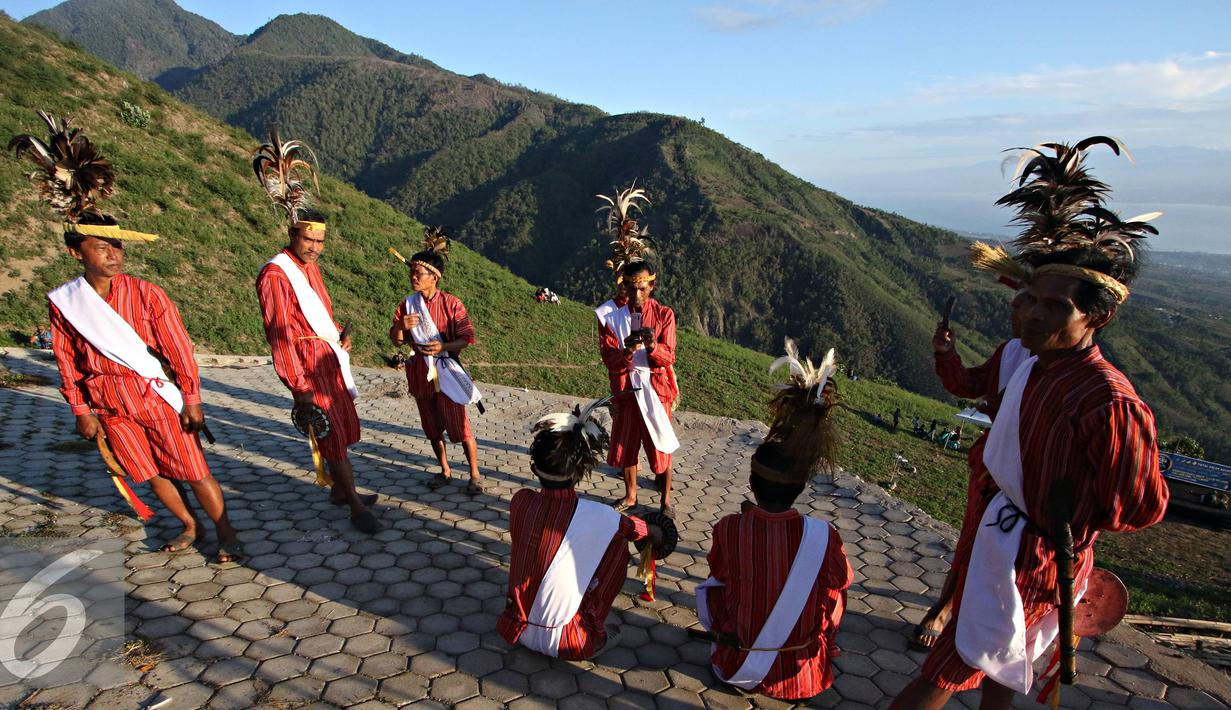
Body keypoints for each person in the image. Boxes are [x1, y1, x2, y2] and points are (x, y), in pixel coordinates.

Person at [891, 137, 1170, 710]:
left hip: (1035, 558)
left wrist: (1066, 508)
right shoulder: (1035, 364)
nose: (1034, 312)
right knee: (1001, 664)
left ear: (1100, 315)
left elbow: (1139, 505)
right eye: (1031, 298)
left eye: (1056, 306)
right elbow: (971, 386)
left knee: (945, 672)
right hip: (1006, 534)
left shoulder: (1108, 401)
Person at [11, 111, 241, 563]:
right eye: (102, 246)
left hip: (154, 396)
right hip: (109, 401)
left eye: (118, 246)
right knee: (148, 471)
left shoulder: (147, 294)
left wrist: (191, 398)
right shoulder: (66, 303)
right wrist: (81, 409)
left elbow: (177, 347)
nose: (114, 254)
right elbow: (66, 359)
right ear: (76, 251)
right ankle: (189, 524)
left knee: (193, 469)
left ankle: (224, 528)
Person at [698, 340, 852, 701]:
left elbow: (720, 576)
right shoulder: (824, 536)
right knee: (834, 589)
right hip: (805, 679)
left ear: (751, 485)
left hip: (734, 666)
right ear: (801, 486)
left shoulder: (729, 528)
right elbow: (839, 586)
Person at [251, 129, 380, 534]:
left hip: (327, 357)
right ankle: (355, 503)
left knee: (340, 426)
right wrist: (299, 386)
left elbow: (316, 315)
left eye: (321, 241)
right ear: (292, 233)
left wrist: (338, 338)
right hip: (307, 366)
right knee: (332, 431)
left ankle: (342, 490)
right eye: (309, 239)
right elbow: (280, 332)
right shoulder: (275, 275)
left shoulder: (311, 268)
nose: (315, 247)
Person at [497, 395, 673, 660]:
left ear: (534, 468)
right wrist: (658, 533)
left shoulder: (521, 501)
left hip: (515, 629)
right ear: (581, 472)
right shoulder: (602, 516)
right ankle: (593, 627)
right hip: (568, 642)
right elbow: (646, 532)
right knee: (617, 544)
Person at [594, 185, 681, 517]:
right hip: (627, 391)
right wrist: (629, 350)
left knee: (661, 443)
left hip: (657, 390)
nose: (636, 293)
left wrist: (652, 345)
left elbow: (668, 355)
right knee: (627, 446)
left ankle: (665, 500)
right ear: (622, 286)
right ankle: (631, 495)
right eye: (630, 287)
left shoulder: (664, 315)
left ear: (651, 286)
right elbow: (609, 358)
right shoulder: (610, 316)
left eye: (642, 287)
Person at [389, 227, 484, 494]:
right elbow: (396, 340)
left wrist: (443, 345)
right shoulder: (407, 305)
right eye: (412, 273)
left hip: (446, 370)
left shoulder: (453, 305)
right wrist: (399, 325)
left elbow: (466, 337)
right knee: (430, 425)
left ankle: (474, 474)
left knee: (459, 423)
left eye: (418, 274)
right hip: (420, 370)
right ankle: (444, 470)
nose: (413, 277)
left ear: (434, 278)